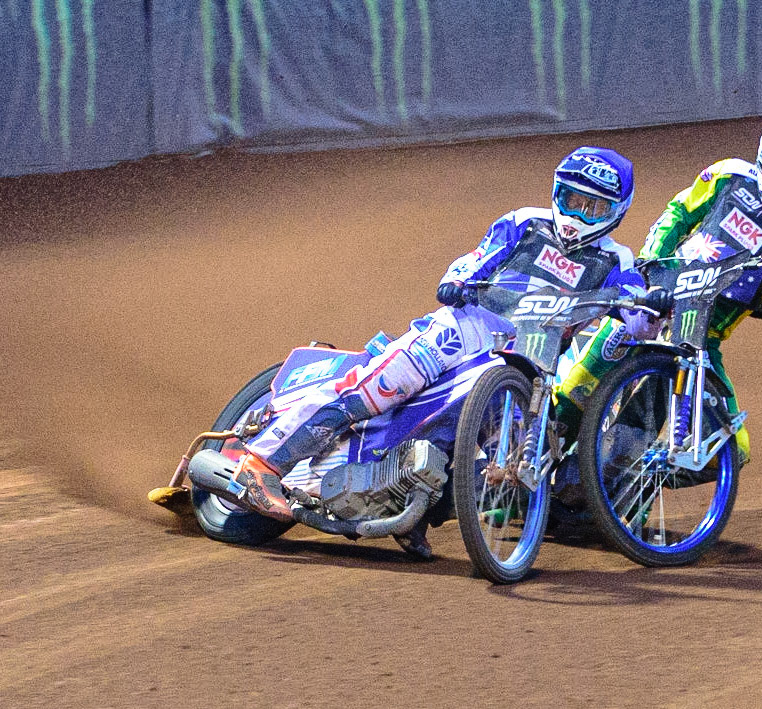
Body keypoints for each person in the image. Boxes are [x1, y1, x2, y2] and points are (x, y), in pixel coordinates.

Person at [229, 146, 672, 536]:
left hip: (529, 367)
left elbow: (634, 310)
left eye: (592, 208)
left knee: (510, 465)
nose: (577, 216)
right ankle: (262, 464)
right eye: (571, 200)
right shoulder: (524, 224)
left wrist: (654, 306)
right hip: (461, 330)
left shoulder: (615, 259)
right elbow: (476, 259)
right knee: (374, 391)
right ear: (556, 193)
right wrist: (457, 280)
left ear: (617, 210)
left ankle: (411, 508)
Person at [555, 109, 762, 467]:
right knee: (574, 394)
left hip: (702, 337)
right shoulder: (728, 175)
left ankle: (622, 492)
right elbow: (679, 212)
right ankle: (522, 485)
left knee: (732, 451)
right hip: (653, 301)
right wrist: (650, 263)